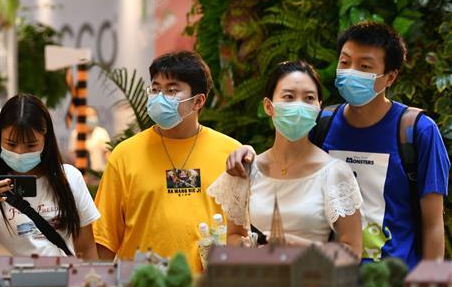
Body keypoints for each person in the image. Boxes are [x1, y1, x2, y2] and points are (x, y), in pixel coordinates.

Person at [226, 22, 450, 266]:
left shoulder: (416, 131)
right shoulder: (321, 124)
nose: (350, 72)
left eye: (364, 66)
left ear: (390, 77)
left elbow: (432, 225)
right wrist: (248, 153)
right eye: (345, 62)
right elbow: (283, 158)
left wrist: (429, 282)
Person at [93, 51, 241, 271]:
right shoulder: (124, 155)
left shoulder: (230, 153)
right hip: (142, 286)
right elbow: (103, 241)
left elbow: (241, 234)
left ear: (198, 101)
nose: (160, 97)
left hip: (209, 286)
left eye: (171, 90)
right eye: (155, 89)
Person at [207, 61, 363, 254]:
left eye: (309, 98)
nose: (299, 106)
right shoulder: (247, 169)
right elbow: (233, 235)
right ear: (268, 106)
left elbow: (352, 252)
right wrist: (245, 246)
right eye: (288, 97)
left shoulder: (334, 172)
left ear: (318, 107)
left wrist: (295, 245)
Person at [0, 94, 99, 267]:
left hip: (64, 281)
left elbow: (87, 248)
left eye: (31, 145)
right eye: (11, 144)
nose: (20, 153)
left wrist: (92, 281)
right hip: (9, 282)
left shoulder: (69, 179)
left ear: (46, 139)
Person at [68, 106, 111, 173]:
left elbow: (108, 153)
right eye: (88, 116)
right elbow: (72, 156)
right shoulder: (76, 134)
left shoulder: (102, 133)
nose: (91, 118)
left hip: (100, 173)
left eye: (93, 116)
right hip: (82, 173)